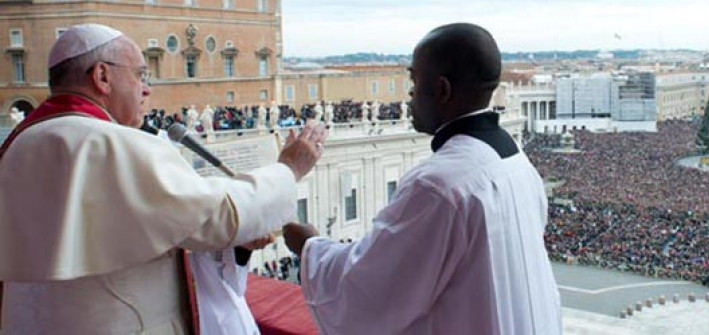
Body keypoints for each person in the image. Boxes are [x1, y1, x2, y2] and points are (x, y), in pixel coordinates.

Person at [0, 24, 327, 333]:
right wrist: (288, 169)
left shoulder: (20, 143)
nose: (147, 88)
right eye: (140, 74)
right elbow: (215, 216)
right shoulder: (111, 143)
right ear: (102, 75)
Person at [283, 23, 562, 334]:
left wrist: (309, 245)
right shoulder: (517, 162)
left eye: (414, 82)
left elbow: (371, 290)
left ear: (442, 90)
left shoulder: (439, 184)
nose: (411, 96)